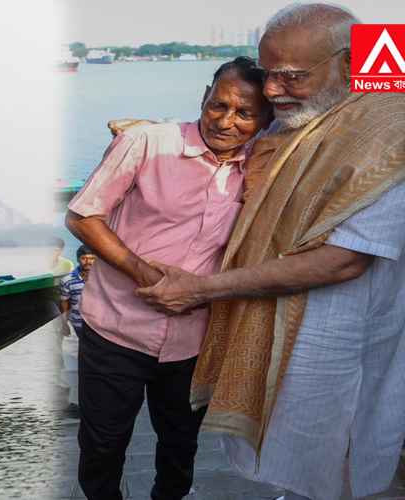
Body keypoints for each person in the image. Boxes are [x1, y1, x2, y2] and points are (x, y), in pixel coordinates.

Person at [137, 4, 405, 500]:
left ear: (348, 63)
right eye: (267, 74)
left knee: (337, 444)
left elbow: (345, 260)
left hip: (341, 333)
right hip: (277, 322)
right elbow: (239, 137)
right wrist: (154, 134)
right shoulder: (310, 112)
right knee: (295, 452)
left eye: (292, 77)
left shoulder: (389, 137)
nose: (273, 90)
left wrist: (202, 289)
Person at [65, 56, 273, 500]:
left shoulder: (265, 162)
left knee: (180, 443)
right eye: (218, 105)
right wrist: (147, 275)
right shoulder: (145, 143)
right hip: (116, 330)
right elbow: (82, 216)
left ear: (266, 120)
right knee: (102, 445)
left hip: (194, 341)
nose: (226, 121)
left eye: (245, 113)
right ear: (204, 96)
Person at [60, 245, 96, 336]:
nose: (88, 262)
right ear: (78, 259)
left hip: (99, 324)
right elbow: (65, 302)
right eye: (84, 258)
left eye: (92, 259)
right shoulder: (67, 279)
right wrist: (64, 323)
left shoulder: (103, 278)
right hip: (78, 323)